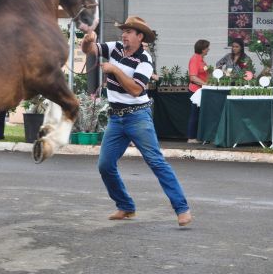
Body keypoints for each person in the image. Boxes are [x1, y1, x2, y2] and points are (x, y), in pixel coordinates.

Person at [81, 16, 192, 227]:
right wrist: (88, 38)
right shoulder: (115, 48)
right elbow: (89, 50)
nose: (123, 34)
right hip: (116, 118)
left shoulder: (145, 60)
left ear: (140, 37)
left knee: (156, 162)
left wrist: (115, 70)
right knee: (105, 165)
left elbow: (135, 90)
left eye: (129, 32)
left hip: (137, 116)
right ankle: (125, 206)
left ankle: (182, 209)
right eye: (123, 31)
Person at [187, 40, 210, 144]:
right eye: (207, 48)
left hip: (201, 90)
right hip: (195, 90)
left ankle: (199, 136)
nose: (208, 49)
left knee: (200, 114)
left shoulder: (202, 60)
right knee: (195, 114)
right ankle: (191, 137)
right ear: (203, 49)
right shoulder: (195, 59)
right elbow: (193, 77)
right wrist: (206, 84)